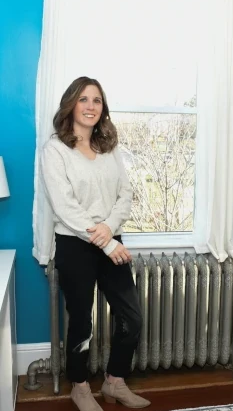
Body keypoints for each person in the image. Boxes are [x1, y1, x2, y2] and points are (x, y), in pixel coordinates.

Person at [41, 76, 151, 411]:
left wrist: (108, 229)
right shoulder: (55, 149)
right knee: (81, 321)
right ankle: (80, 387)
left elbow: (126, 194)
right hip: (75, 245)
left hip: (110, 239)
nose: (91, 107)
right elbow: (64, 206)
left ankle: (115, 382)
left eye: (97, 101)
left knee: (132, 317)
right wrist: (103, 240)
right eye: (84, 100)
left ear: (103, 109)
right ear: (71, 104)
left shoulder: (109, 148)